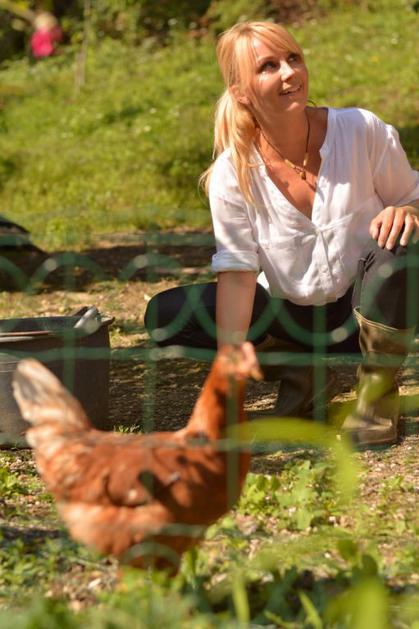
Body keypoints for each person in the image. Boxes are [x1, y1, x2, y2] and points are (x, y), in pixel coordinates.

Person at [145, 21, 419, 447]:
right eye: (268, 66)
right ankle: (302, 370)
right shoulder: (231, 174)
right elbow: (238, 275)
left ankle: (376, 396)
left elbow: (412, 196)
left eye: (294, 59)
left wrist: (408, 210)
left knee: (402, 241)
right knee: (167, 315)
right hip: (291, 320)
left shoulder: (361, 130)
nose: (290, 73)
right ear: (241, 92)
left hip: (365, 312)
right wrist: (227, 380)